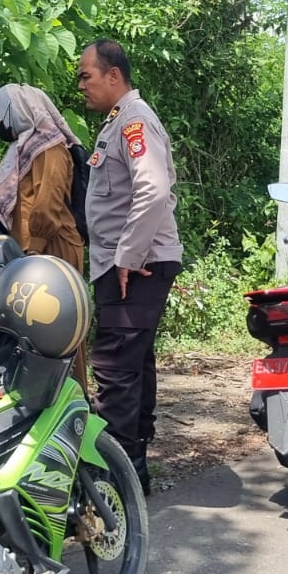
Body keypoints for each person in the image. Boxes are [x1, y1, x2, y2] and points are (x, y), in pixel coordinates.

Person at [74, 39, 183, 494]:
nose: (81, 85)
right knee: (133, 363)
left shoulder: (134, 121)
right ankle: (133, 469)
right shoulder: (119, 122)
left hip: (137, 265)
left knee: (115, 366)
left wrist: (128, 256)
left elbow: (152, 189)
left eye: (86, 76)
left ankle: (114, 476)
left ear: (113, 75)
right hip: (130, 263)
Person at [0, 82, 89, 385]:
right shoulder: (25, 150)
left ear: (18, 112)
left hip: (52, 249)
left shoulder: (50, 149)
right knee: (32, 332)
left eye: (1, 115)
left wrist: (34, 252)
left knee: (61, 330)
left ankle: (75, 395)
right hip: (31, 252)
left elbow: (48, 204)